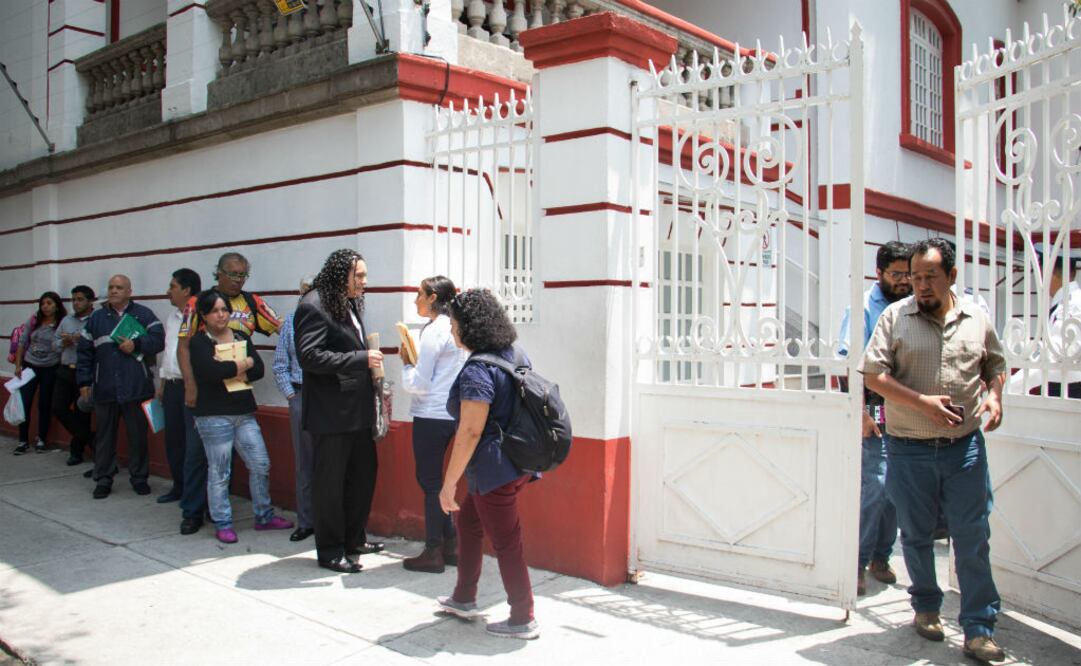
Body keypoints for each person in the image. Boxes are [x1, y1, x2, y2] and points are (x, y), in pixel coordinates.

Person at [859, 238, 1007, 663]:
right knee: (917, 535)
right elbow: (872, 376)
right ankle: (926, 606)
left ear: (952, 277)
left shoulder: (976, 318)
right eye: (916, 277)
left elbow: (995, 365)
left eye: (930, 277)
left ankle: (979, 628)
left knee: (973, 537)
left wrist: (996, 398)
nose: (920, 285)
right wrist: (921, 403)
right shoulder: (894, 318)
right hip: (908, 448)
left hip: (965, 450)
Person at [436, 288, 539, 640]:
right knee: (468, 523)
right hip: (519, 460)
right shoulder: (515, 352)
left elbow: (469, 431)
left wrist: (449, 482)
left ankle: (522, 617)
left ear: (471, 326)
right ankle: (463, 598)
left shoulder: (478, 370)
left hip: (496, 471)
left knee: (507, 542)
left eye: (454, 325)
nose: (452, 332)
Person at [293, 249, 383, 574]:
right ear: (339, 273)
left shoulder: (347, 301)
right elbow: (309, 356)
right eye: (359, 276)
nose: (364, 282)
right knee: (330, 484)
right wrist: (361, 360)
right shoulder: (313, 305)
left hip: (357, 409)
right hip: (331, 413)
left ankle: (354, 539)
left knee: (363, 475)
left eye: (364, 275)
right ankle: (330, 551)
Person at [177, 252, 280, 536]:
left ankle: (223, 512)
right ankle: (192, 511)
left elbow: (278, 327)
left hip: (239, 398)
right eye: (233, 274)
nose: (238, 280)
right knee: (199, 457)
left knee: (248, 461)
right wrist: (190, 384)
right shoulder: (197, 303)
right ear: (218, 273)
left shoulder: (251, 303)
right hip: (207, 397)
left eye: (243, 275)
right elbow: (184, 346)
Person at [188, 289, 293, 544]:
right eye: (215, 311)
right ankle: (223, 522)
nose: (221, 315)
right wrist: (240, 365)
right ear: (204, 315)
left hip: (243, 411)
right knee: (220, 471)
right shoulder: (199, 342)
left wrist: (234, 369)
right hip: (213, 415)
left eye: (225, 310)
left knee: (260, 463)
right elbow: (209, 371)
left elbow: (258, 368)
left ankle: (264, 516)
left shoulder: (241, 335)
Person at [839, 241, 911, 595]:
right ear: (879, 273)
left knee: (897, 489)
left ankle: (880, 556)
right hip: (876, 407)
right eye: (897, 274)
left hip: (908, 411)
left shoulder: (912, 307)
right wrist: (862, 412)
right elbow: (847, 362)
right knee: (877, 486)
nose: (904, 281)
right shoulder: (865, 308)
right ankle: (854, 561)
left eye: (907, 274)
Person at [77, 275, 166, 500]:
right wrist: (84, 382)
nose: (114, 291)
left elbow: (159, 340)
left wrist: (136, 344)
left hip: (136, 387)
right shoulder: (96, 319)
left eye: (119, 287)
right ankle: (103, 479)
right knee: (104, 438)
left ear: (129, 291)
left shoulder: (144, 315)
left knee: (137, 437)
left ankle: (139, 478)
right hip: (105, 388)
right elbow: (85, 352)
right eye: (111, 287)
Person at [400, 276, 464, 573]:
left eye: (419, 295)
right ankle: (450, 544)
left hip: (430, 413)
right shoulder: (456, 327)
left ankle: (433, 549)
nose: (416, 300)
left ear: (433, 297)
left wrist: (405, 364)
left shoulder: (435, 330)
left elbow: (420, 383)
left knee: (430, 482)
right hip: (453, 413)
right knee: (443, 482)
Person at [272, 276, 316, 542]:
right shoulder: (290, 320)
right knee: (304, 463)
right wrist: (291, 395)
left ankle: (328, 520)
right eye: (307, 290)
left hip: (327, 399)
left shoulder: (334, 318)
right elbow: (280, 364)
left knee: (328, 462)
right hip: (300, 394)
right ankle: (306, 520)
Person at [156, 268, 202, 503]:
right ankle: (178, 486)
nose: (168, 291)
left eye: (173, 286)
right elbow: (169, 351)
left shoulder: (200, 316)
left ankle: (193, 492)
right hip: (172, 385)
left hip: (191, 386)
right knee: (173, 439)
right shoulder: (171, 318)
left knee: (192, 443)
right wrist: (162, 382)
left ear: (187, 290)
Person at [1008, 252, 1080, 399]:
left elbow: (1051, 357)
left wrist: (1009, 388)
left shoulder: (1070, 306)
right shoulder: (1067, 302)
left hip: (1068, 392)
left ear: (1050, 273)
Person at [12, 292, 66, 455]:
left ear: (57, 305)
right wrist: (18, 365)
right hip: (30, 365)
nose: (45, 306)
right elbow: (22, 341)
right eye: (43, 303)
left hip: (50, 367)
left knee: (44, 403)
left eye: (49, 303)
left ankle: (41, 439)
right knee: (25, 402)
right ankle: (23, 440)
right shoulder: (35, 319)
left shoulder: (62, 322)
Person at [53, 285, 96, 465]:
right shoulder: (66, 320)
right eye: (74, 300)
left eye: (80, 299)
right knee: (59, 408)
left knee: (82, 413)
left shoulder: (96, 319)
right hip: (65, 369)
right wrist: (64, 341)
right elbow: (53, 345)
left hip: (84, 371)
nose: (76, 303)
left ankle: (76, 451)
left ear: (90, 301)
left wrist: (81, 340)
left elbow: (99, 345)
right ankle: (92, 439)